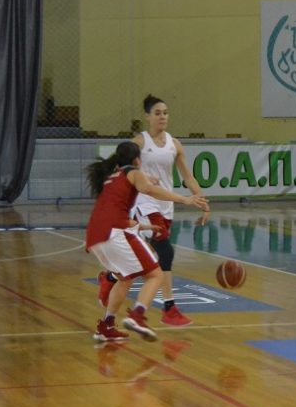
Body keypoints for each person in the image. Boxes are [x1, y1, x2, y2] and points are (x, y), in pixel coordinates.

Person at [97, 94, 208, 327]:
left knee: (145, 256)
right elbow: (119, 169)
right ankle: (169, 309)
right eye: (157, 113)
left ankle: (110, 277)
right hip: (144, 202)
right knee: (166, 252)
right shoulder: (139, 142)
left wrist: (200, 199)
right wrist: (142, 179)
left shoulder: (174, 144)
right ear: (147, 116)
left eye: (165, 113)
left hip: (166, 205)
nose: (162, 117)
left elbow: (188, 177)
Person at [85, 141, 208, 342]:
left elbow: (112, 211)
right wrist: (185, 199)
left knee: (125, 278)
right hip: (115, 233)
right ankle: (137, 315)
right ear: (137, 159)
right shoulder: (132, 172)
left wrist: (142, 226)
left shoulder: (112, 177)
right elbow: (148, 190)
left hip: (95, 236)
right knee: (155, 275)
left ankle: (107, 325)